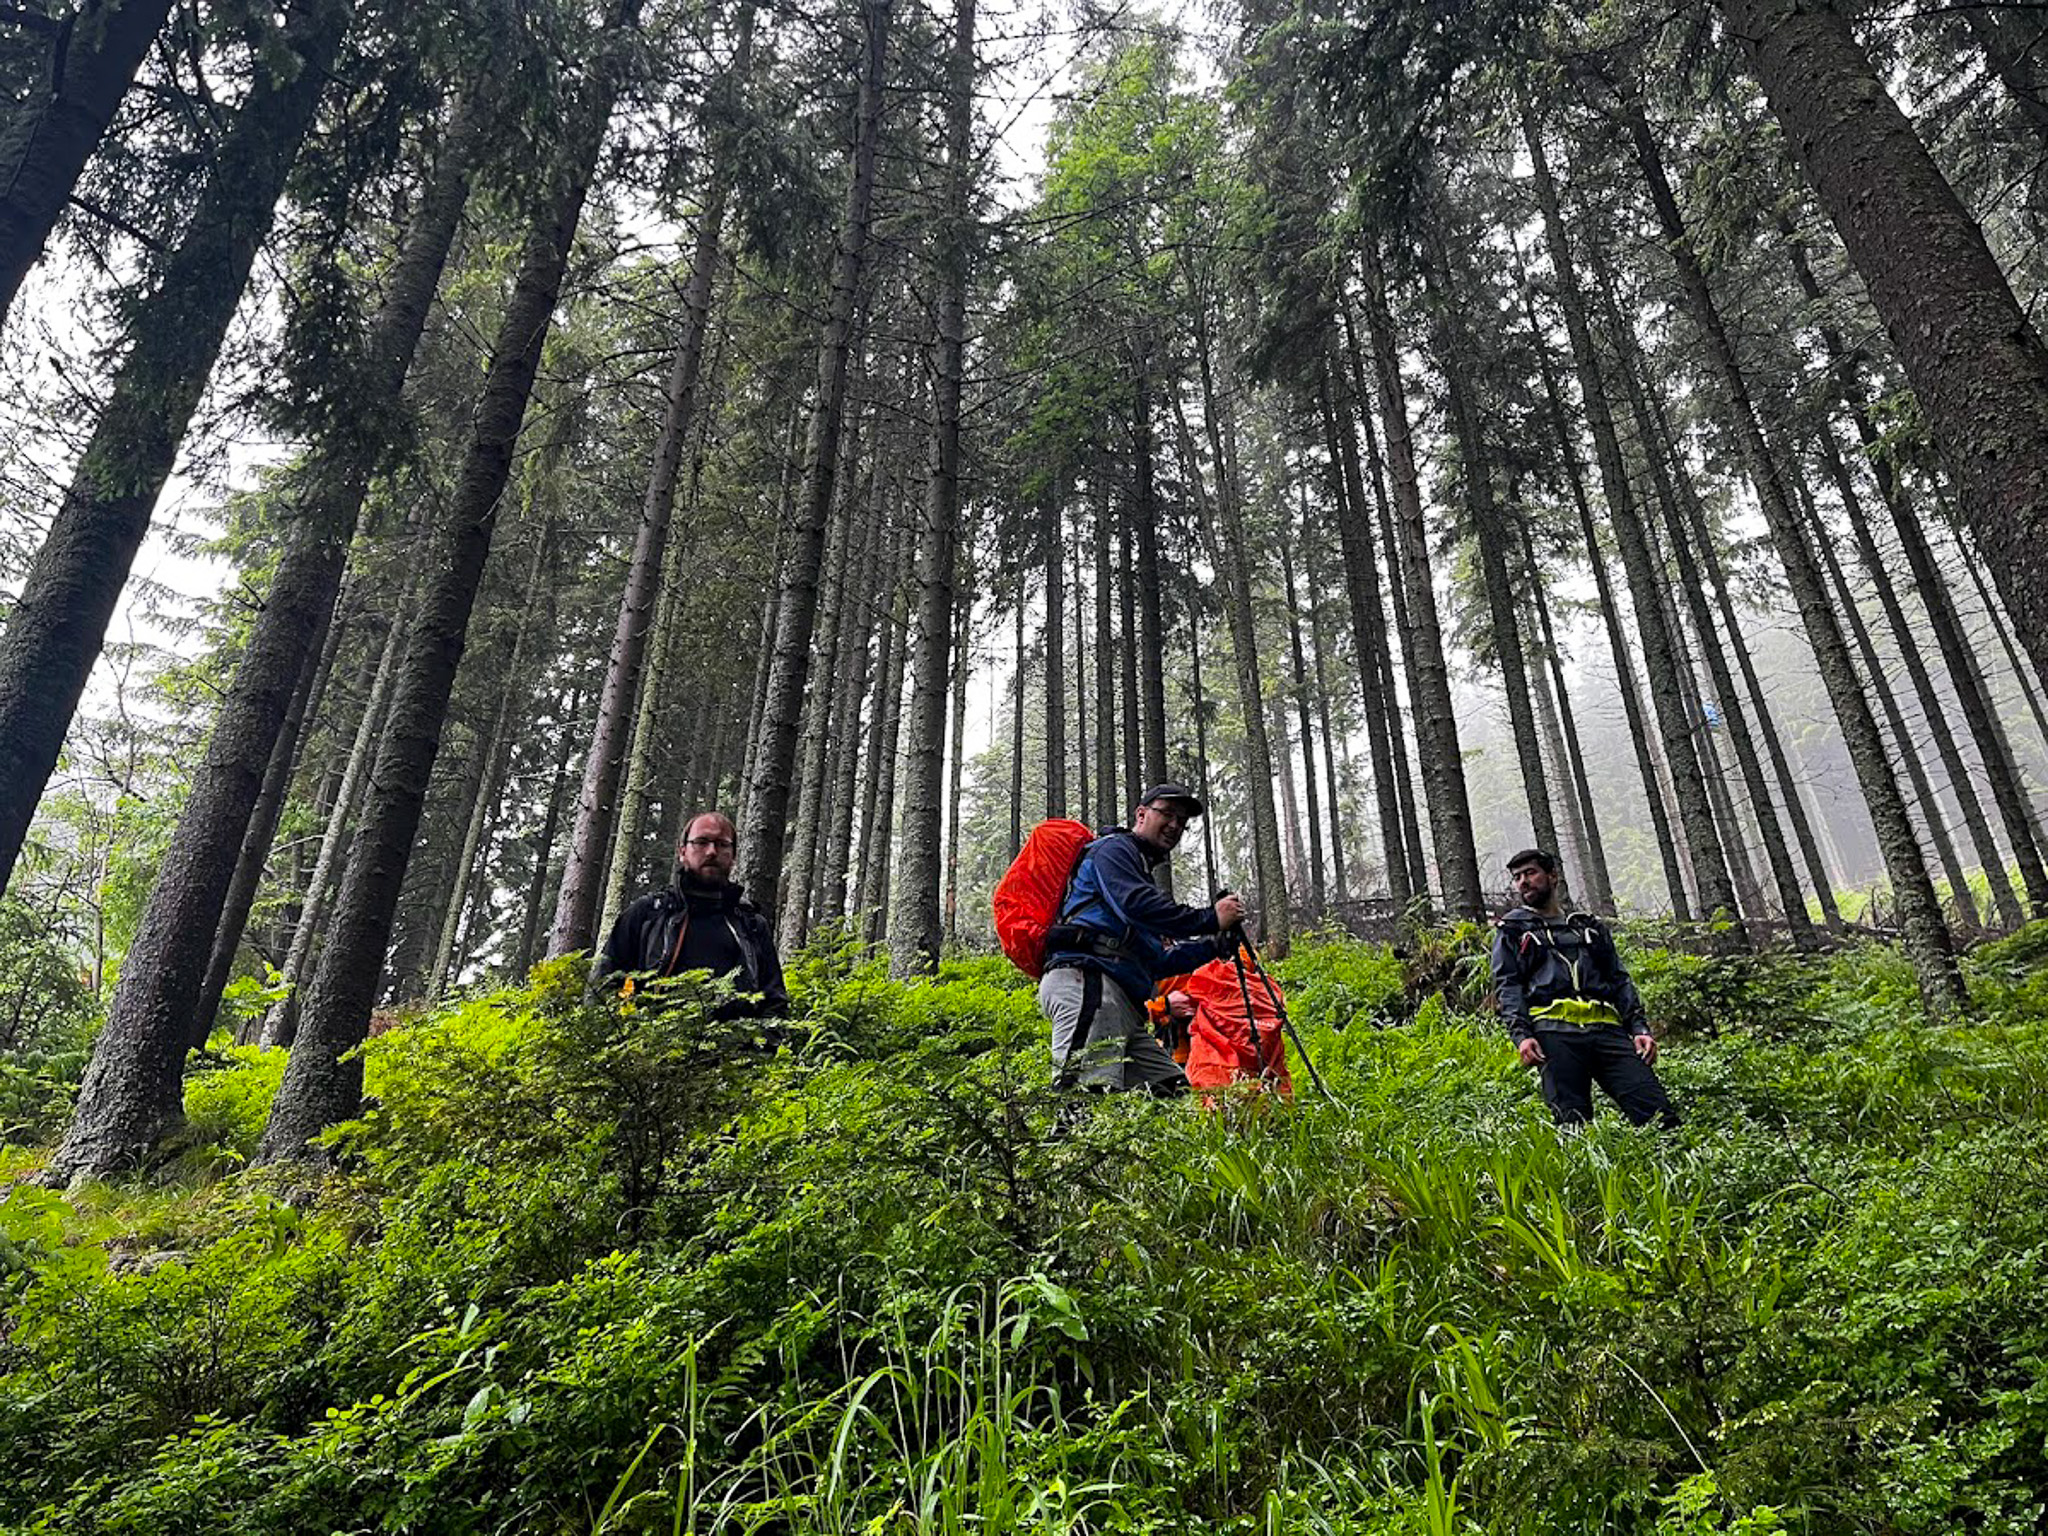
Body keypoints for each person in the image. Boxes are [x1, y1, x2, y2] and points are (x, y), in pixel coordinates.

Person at [1039, 783, 1246, 1093]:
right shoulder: (1114, 850)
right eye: (1168, 814)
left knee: (1171, 1092)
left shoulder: (1136, 871)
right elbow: (1136, 904)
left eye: (1182, 821)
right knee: (1084, 1097)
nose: (1175, 825)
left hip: (1122, 1004)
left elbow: (1157, 959)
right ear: (1141, 814)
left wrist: (1217, 946)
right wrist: (1210, 919)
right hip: (1089, 984)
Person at [1490, 848, 1678, 1128]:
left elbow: (1618, 979)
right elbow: (1508, 985)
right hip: (1553, 1034)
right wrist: (1522, 1035)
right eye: (1517, 877)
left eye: (1530, 873)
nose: (1523, 882)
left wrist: (1638, 1028)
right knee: (1572, 1123)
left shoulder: (1588, 928)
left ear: (1553, 877)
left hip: (1608, 1032)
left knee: (1660, 1116)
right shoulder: (1513, 930)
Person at [598, 811, 789, 1019]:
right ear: (682, 852)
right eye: (701, 842)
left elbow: (774, 1000)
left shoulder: (751, 924)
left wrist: (760, 1048)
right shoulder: (647, 914)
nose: (711, 852)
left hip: (734, 1049)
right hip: (653, 1047)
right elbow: (604, 985)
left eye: (722, 844)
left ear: (733, 856)